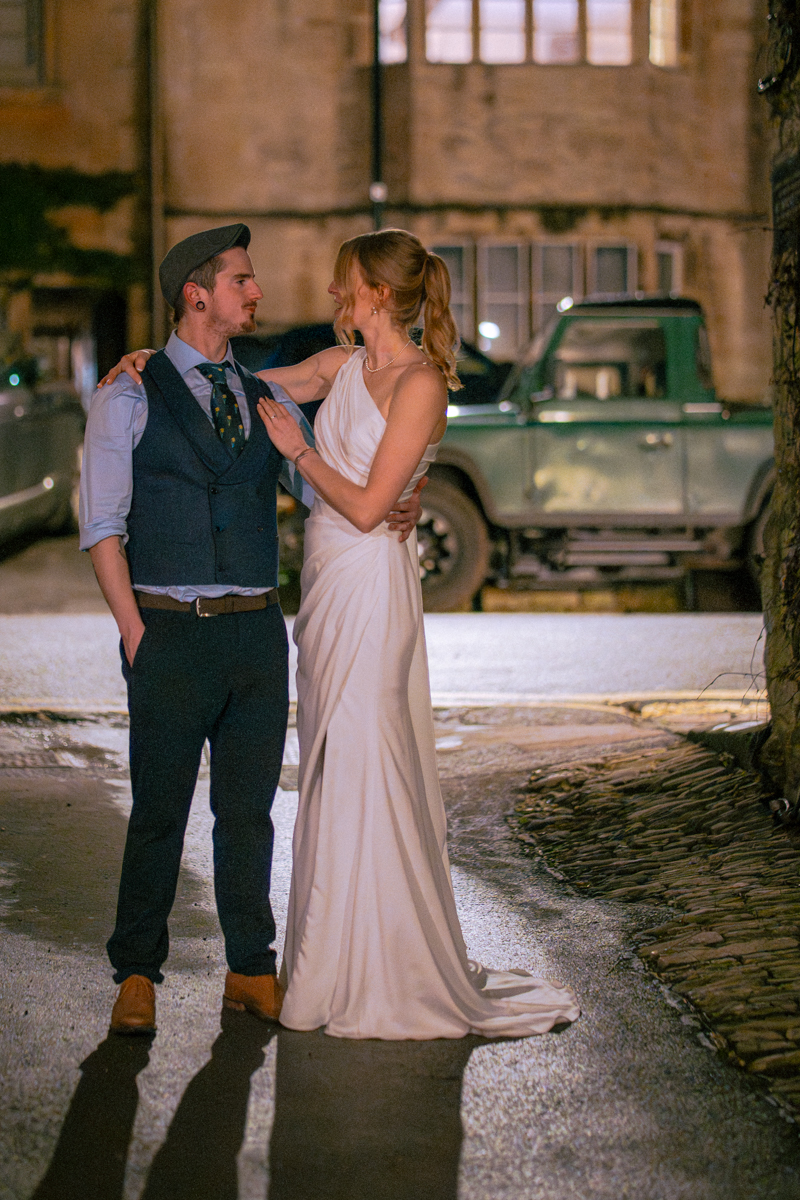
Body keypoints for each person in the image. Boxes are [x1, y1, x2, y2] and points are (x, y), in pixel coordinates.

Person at [105, 228, 579, 1040]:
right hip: (322, 594)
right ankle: (326, 957)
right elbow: (234, 383)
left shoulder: (421, 383)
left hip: (370, 586)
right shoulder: (341, 368)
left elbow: (364, 505)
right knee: (328, 767)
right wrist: (149, 365)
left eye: (344, 285)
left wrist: (305, 452)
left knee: (368, 758)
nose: (331, 298)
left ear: (381, 295)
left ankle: (383, 962)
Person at [80, 223, 423, 1035]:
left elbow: (323, 493)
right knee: (159, 813)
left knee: (249, 814)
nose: (258, 293)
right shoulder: (128, 393)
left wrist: (395, 500)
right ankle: (136, 974)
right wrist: (134, 632)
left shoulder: (262, 394)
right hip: (168, 628)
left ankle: (250, 969)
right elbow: (102, 526)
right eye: (243, 281)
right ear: (198, 294)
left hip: (257, 635)